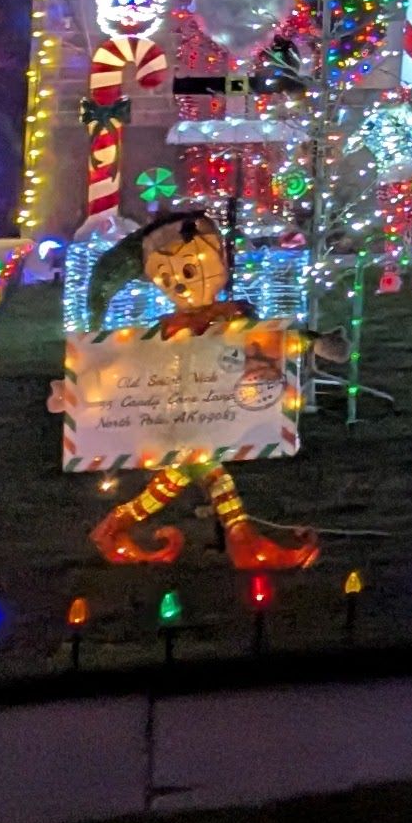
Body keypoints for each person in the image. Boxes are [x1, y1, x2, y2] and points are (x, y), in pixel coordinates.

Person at [85, 209, 320, 570]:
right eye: (165, 278)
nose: (178, 284)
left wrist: (308, 343)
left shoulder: (228, 317)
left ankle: (118, 526)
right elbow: (135, 362)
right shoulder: (167, 328)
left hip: (216, 406)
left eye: (189, 271)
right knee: (198, 463)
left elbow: (267, 342)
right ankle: (240, 541)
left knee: (200, 465)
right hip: (172, 407)